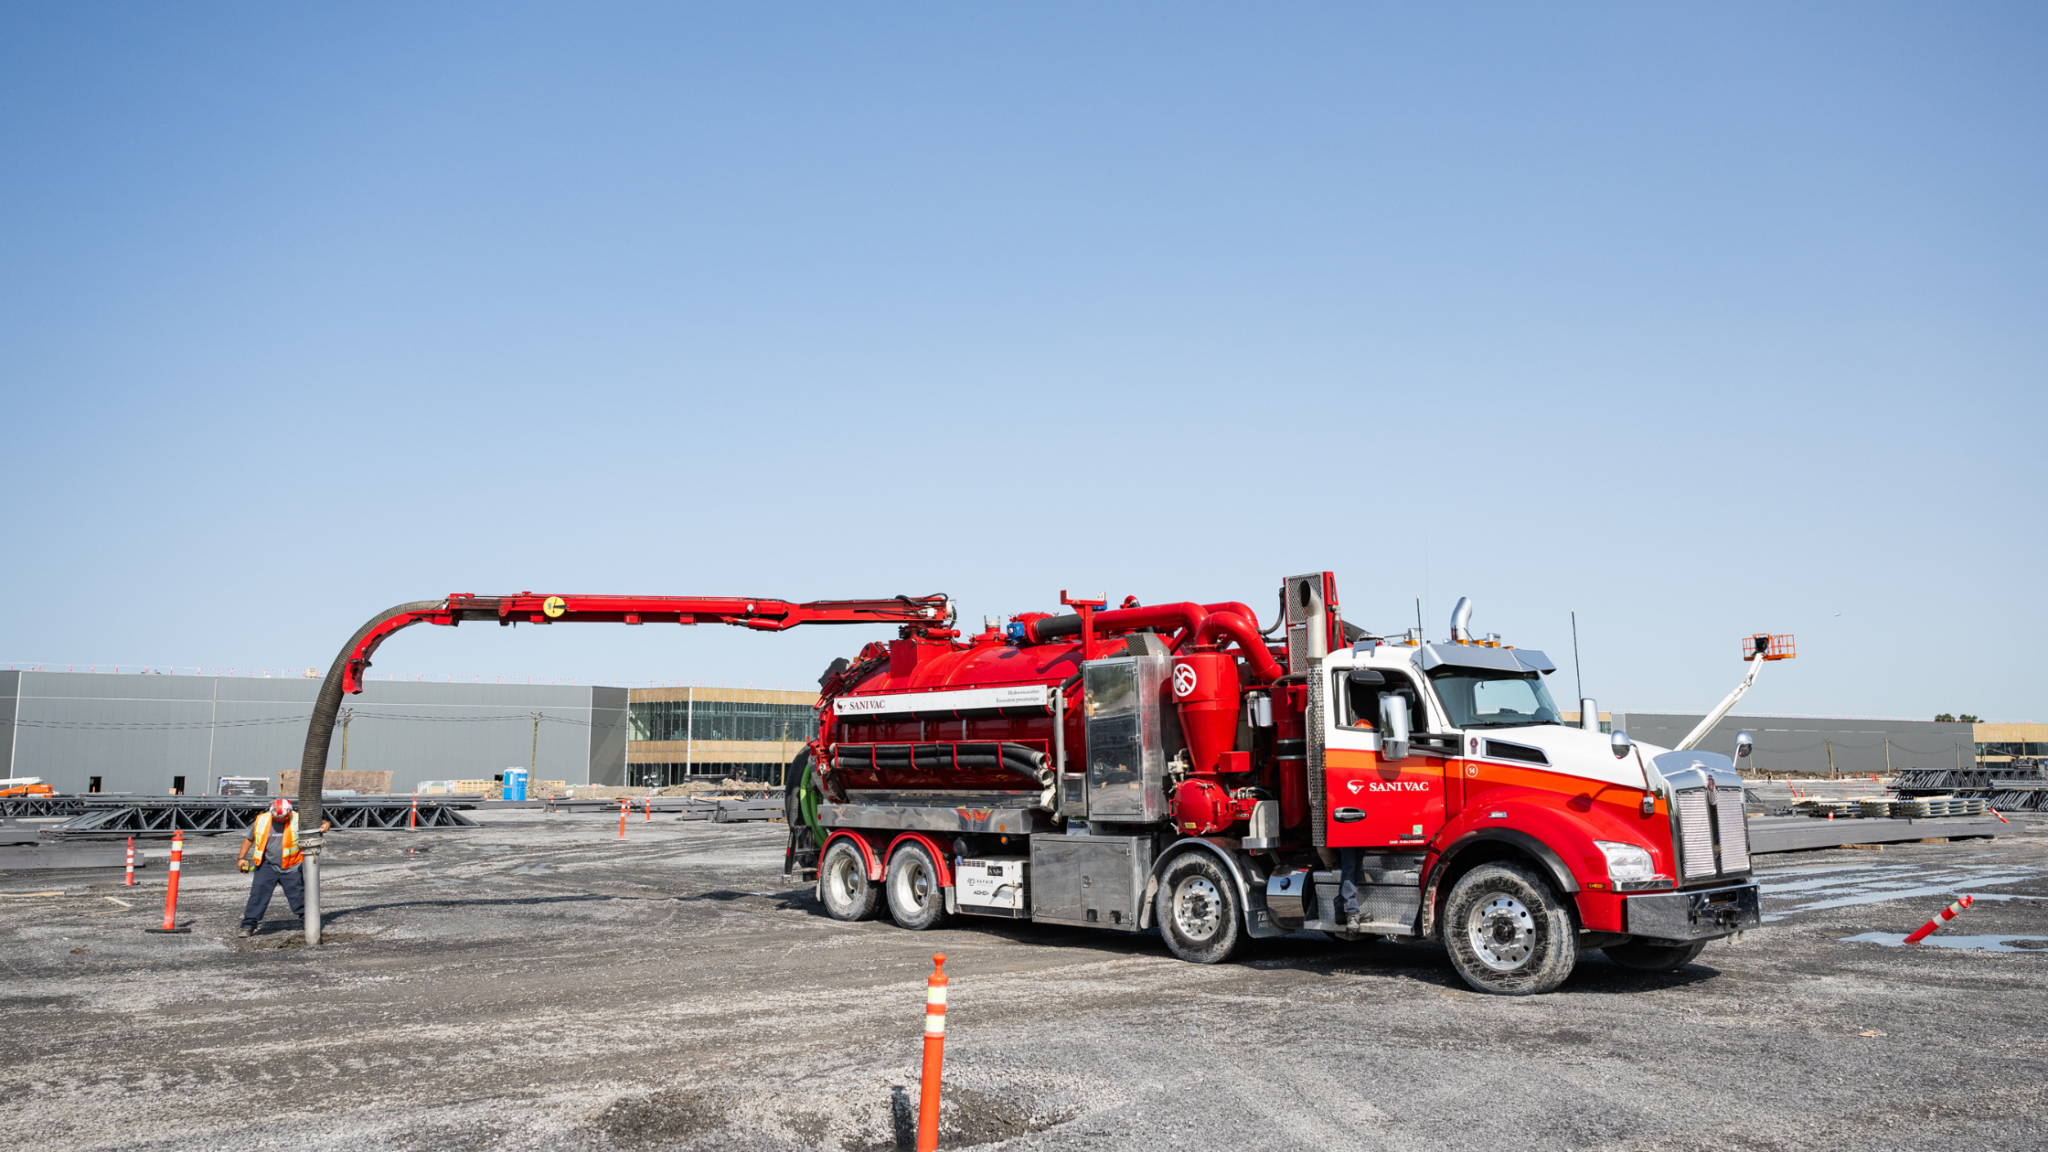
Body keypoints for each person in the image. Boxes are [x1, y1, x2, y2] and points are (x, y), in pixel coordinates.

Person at [237, 797, 330, 937]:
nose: (280, 820)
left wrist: (326, 824)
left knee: (299, 895)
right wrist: (241, 858)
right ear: (271, 812)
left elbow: (321, 823)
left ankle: (308, 922)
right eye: (277, 818)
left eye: (283, 818)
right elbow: (249, 839)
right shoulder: (262, 820)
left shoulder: (298, 819)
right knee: (258, 895)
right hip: (267, 865)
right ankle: (248, 925)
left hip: (292, 866)